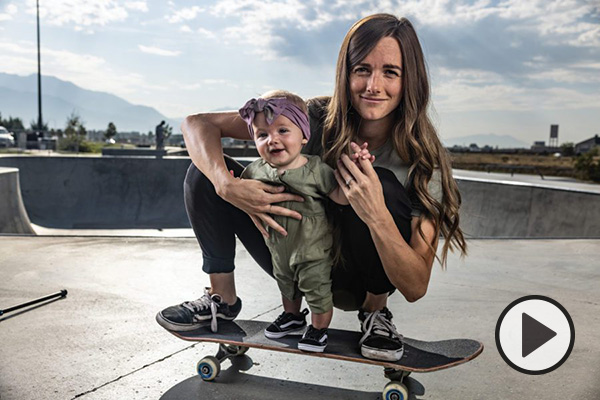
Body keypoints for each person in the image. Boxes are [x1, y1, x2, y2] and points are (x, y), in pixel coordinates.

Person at [156, 13, 467, 362]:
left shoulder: (424, 162)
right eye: (362, 70)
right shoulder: (313, 117)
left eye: (390, 72)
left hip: (359, 278)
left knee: (380, 181)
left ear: (409, 80)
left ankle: (376, 314)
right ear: (345, 73)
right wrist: (227, 186)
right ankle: (222, 299)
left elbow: (415, 286)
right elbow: (198, 125)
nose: (373, 86)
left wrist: (376, 212)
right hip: (293, 256)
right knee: (204, 175)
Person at [237, 90, 373, 353]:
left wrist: (357, 171)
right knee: (285, 284)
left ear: (304, 135)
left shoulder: (315, 168)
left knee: (316, 289)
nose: (272, 140)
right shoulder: (255, 170)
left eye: (283, 131)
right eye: (262, 135)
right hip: (278, 248)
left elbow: (340, 197)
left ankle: (318, 329)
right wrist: (232, 185)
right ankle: (292, 317)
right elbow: (241, 190)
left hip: (312, 250)